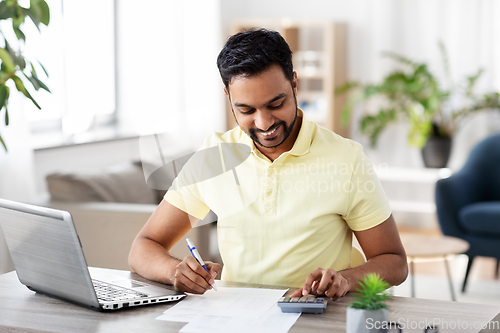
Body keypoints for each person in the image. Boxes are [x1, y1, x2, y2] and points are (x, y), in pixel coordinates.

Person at [128, 28, 408, 301]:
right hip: (237, 317)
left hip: (314, 318)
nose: (264, 124)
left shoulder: (347, 159)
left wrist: (346, 280)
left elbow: (394, 262)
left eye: (276, 104)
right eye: (246, 110)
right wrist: (175, 271)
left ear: (294, 84)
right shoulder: (215, 156)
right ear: (228, 97)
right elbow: (143, 247)